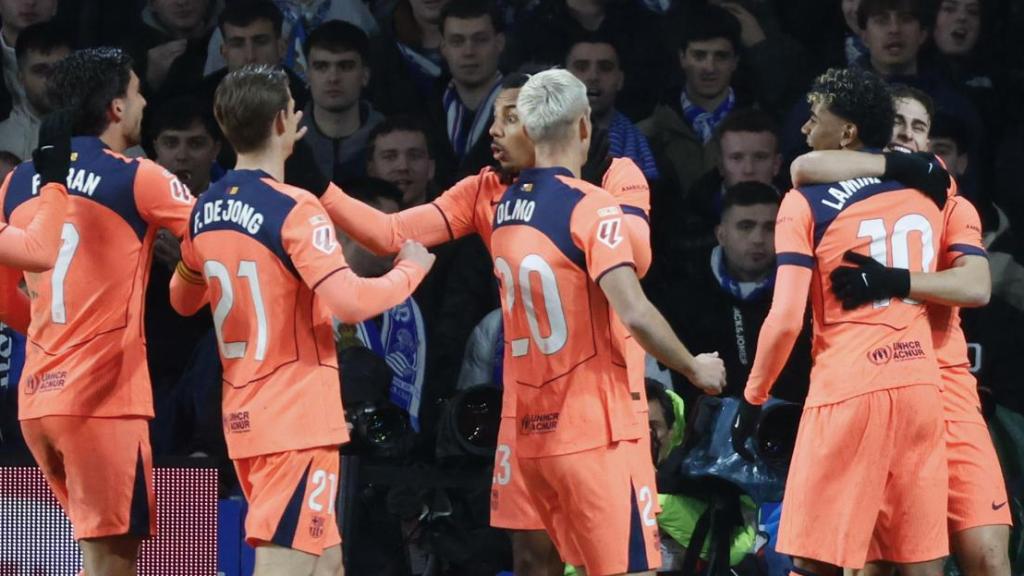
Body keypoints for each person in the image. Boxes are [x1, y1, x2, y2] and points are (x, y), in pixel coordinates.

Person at [308, 71, 671, 576]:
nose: (494, 131)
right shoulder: (484, 191)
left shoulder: (612, 179)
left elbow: (638, 262)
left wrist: (614, 198)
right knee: (530, 560)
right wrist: (313, 178)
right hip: (523, 415)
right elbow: (391, 232)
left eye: (511, 117)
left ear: (547, 124)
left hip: (600, 413)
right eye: (495, 117)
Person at [169, 64, 434, 576]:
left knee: (327, 565)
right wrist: (411, 270)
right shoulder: (296, 208)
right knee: (284, 564)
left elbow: (182, 299)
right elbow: (351, 301)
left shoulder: (204, 209)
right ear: (284, 121)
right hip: (294, 417)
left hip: (246, 412)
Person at [488, 68, 724, 576]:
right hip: (593, 429)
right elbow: (633, 307)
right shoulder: (592, 204)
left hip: (532, 433)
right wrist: (693, 367)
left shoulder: (506, 205)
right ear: (584, 127)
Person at [731, 67, 948, 576]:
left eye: (815, 118)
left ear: (847, 132)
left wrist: (753, 396)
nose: (805, 130)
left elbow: (785, 319)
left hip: (847, 391)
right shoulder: (929, 188)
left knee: (813, 562)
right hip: (920, 389)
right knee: (917, 564)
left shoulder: (801, 202)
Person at [789, 86, 1011, 576]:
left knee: (989, 557)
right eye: (898, 123)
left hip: (948, 388)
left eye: (919, 128)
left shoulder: (946, 200)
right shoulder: (834, 194)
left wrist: (898, 280)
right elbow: (804, 167)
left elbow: (976, 286)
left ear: (930, 142)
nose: (907, 135)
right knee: (879, 565)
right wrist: (899, 168)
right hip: (875, 384)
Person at [8, 47, 196, 576]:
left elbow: (3, 295)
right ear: (115, 108)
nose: (143, 103)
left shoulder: (18, 181)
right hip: (103, 403)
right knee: (113, 564)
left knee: (93, 560)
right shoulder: (138, 177)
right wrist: (190, 280)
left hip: (38, 402)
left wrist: (53, 329)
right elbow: (220, 238)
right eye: (136, 93)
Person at [654, 181, 810, 406]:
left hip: (790, 425)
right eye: (746, 226)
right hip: (703, 433)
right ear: (721, 234)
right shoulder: (685, 294)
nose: (758, 239)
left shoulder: (805, 292)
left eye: (770, 227)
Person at [563, 32, 659, 184]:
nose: (593, 76)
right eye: (581, 67)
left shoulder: (652, 150)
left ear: (620, 79)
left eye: (605, 67)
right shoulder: (536, 144)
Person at [299, 19, 384, 183]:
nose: (333, 78)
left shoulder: (389, 140)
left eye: (345, 66)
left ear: (365, 75)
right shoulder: (285, 142)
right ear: (307, 76)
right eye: (321, 66)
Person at [0, 21, 70, 161]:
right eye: (40, 71)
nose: (52, 79)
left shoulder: (105, 138)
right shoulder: (2, 140)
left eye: (61, 68)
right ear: (20, 78)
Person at [366, 115, 437, 207]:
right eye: (390, 157)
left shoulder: (453, 218)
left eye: (414, 156)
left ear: (431, 168)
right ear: (371, 169)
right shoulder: (352, 219)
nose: (403, 167)